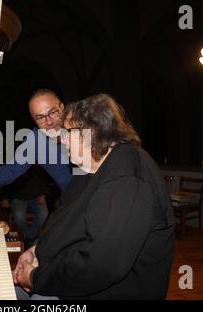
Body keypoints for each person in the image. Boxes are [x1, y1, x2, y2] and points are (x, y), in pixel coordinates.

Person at [13, 94, 175, 300]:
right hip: (69, 275)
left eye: (66, 133)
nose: (61, 140)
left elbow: (102, 265)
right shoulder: (89, 170)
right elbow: (64, 221)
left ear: (91, 132)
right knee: (8, 290)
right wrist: (36, 251)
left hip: (113, 292)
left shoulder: (128, 175)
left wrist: (36, 278)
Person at [6, 165, 51, 246]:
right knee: (19, 216)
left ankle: (28, 236)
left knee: (44, 213)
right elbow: (8, 183)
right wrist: (6, 198)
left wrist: (43, 195)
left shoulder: (39, 167)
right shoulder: (15, 165)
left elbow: (45, 183)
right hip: (18, 198)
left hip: (36, 197)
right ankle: (30, 237)